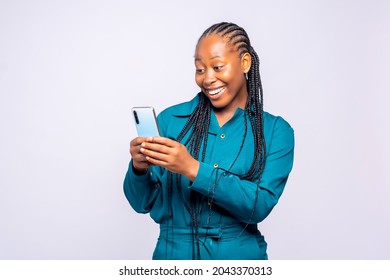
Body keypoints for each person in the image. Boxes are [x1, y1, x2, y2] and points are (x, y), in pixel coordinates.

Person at [123, 22, 294, 260]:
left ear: (245, 63)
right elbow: (142, 203)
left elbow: (259, 205)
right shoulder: (171, 120)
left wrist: (191, 168)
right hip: (172, 258)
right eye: (200, 69)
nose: (207, 79)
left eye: (217, 67)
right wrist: (139, 169)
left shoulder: (275, 131)